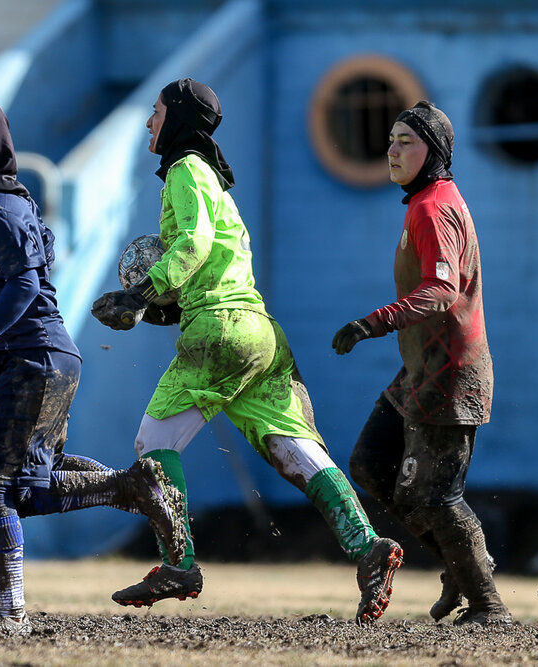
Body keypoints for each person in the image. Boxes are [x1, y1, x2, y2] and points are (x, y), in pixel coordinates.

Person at [91, 78, 403, 622]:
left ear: (180, 118)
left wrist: (138, 294)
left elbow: (193, 245)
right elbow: (215, 266)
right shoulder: (214, 182)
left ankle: (180, 562)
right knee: (294, 449)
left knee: (153, 440)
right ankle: (367, 545)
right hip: (257, 330)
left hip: (219, 330)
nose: (149, 122)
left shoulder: (186, 168)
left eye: (157, 111)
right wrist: (157, 307)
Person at [0, 99, 187, 634]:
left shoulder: (2, 209)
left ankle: (12, 611)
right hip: (14, 358)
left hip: (32, 359)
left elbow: (25, 284)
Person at [333, 101, 510, 626]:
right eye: (390, 139)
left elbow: (440, 289)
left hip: (450, 375)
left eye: (405, 141)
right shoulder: (426, 201)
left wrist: (373, 322)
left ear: (433, 151)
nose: (392, 150)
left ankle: (486, 603)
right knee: (370, 463)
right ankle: (462, 567)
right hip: (420, 372)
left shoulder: (433, 206)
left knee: (435, 496)